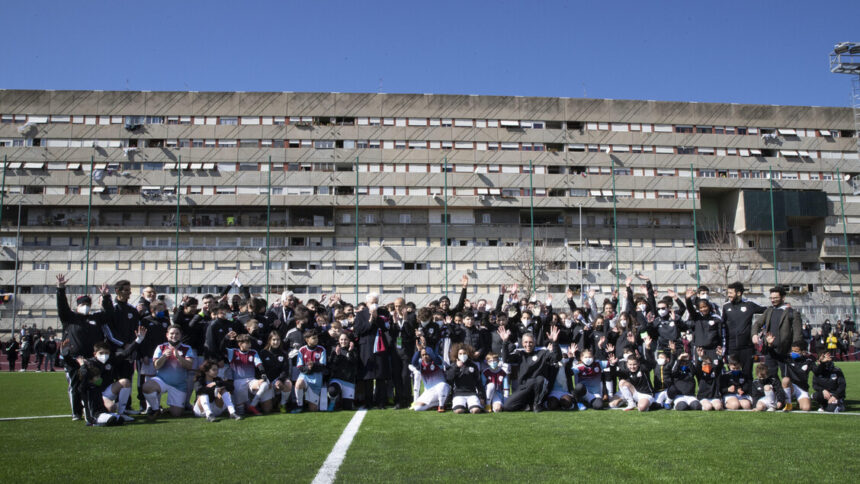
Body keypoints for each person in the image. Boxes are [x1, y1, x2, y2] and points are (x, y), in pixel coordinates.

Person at [56, 274, 120, 420]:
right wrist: (60, 289)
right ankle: (76, 412)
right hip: (74, 358)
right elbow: (62, 306)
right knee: (75, 384)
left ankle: (92, 408)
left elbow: (109, 314)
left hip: (92, 359)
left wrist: (106, 297)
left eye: (87, 305)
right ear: (77, 306)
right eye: (82, 305)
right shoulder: (69, 318)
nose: (85, 307)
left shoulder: (95, 318)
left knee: (93, 384)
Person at [499, 326, 562, 412]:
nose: (528, 345)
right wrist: (505, 341)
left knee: (540, 379)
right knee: (507, 407)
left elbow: (556, 358)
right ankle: (528, 405)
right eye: (526, 342)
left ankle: (537, 404)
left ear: (535, 343)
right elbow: (506, 359)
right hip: (524, 387)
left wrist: (554, 342)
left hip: (539, 388)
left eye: (530, 342)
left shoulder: (542, 353)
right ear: (522, 343)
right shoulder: (519, 354)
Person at [141, 324, 195, 419]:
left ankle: (166, 410)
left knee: (176, 414)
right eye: (172, 333)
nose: (174, 336)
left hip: (179, 385)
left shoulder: (187, 348)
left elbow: (189, 366)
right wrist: (164, 356)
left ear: (180, 335)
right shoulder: (161, 347)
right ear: (167, 335)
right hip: (162, 381)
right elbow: (156, 366)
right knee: (147, 386)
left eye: (177, 334)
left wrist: (178, 357)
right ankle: (155, 409)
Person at [752, 286, 803, 379]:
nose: (773, 300)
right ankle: (776, 393)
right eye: (771, 298)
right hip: (770, 351)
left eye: (775, 298)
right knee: (770, 378)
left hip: (785, 352)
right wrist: (754, 334)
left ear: (783, 298)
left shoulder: (792, 313)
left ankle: (788, 393)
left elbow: (797, 333)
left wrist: (795, 349)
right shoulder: (768, 311)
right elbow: (757, 323)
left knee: (787, 378)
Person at [722, 282, 765, 379]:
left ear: (739, 293)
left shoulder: (749, 304)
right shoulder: (726, 307)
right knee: (732, 373)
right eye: (728, 293)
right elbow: (722, 325)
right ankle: (734, 391)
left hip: (747, 346)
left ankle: (748, 392)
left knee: (747, 372)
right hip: (731, 346)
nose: (728, 295)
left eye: (731, 293)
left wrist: (760, 328)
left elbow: (767, 311)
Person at [223, 332, 272, 415]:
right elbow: (221, 348)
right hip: (238, 381)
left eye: (249, 343)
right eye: (247, 343)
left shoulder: (253, 352)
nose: (249, 345)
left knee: (265, 384)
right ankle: (244, 407)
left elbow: (259, 364)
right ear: (240, 344)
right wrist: (226, 338)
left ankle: (252, 405)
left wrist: (263, 374)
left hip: (251, 380)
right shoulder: (233, 352)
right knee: (240, 411)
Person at [608, 335, 657, 412]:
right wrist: (612, 365)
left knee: (641, 408)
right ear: (627, 364)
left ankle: (650, 403)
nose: (632, 367)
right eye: (630, 365)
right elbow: (614, 373)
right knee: (612, 404)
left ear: (638, 364)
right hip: (633, 392)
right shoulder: (626, 370)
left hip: (645, 394)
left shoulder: (643, 368)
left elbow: (650, 362)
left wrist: (647, 347)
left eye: (634, 364)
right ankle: (630, 403)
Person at [765, 333, 812, 411]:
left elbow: (818, 372)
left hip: (802, 388)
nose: (793, 353)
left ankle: (799, 403)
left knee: (806, 408)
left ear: (803, 352)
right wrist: (770, 345)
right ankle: (788, 404)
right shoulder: (788, 358)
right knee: (785, 380)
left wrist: (823, 364)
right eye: (792, 350)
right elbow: (774, 355)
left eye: (796, 351)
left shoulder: (808, 361)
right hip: (790, 386)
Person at [294, 329, 327, 413]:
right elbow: (300, 367)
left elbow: (322, 366)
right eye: (314, 338)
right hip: (305, 377)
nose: (316, 340)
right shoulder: (302, 350)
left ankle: (308, 399)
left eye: (317, 338)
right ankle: (299, 405)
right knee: (299, 383)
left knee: (313, 409)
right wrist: (308, 368)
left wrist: (313, 365)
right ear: (307, 339)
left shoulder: (321, 349)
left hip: (316, 381)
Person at [446, 343, 484, 414]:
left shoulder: (473, 365)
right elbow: (449, 379)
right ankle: (463, 405)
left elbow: (479, 382)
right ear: (457, 354)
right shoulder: (453, 365)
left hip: (472, 394)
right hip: (458, 394)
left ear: (468, 354)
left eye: (464, 353)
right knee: (459, 411)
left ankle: (470, 405)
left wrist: (481, 397)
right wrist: (457, 367)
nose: (462, 355)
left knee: (476, 410)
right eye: (460, 353)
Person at [260, 331, 293, 412]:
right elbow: (260, 370)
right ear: (269, 341)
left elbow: (285, 370)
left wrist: (280, 380)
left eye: (278, 340)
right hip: (266, 382)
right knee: (267, 410)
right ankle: (273, 401)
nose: (276, 342)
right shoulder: (263, 353)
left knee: (288, 384)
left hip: (277, 381)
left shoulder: (284, 354)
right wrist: (266, 381)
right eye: (274, 340)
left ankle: (282, 404)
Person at [409, 346, 450, 412]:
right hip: (429, 392)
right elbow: (413, 362)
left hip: (441, 389)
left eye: (426, 354)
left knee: (442, 385)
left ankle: (441, 405)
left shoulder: (437, 361)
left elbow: (434, 357)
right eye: (423, 355)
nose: (425, 356)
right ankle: (435, 404)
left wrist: (425, 347)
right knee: (417, 408)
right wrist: (418, 351)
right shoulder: (420, 364)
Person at [327, 332, 359, 411]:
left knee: (347, 408)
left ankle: (343, 402)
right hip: (337, 379)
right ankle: (332, 401)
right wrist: (337, 355)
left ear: (349, 341)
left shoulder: (354, 350)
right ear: (339, 340)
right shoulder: (334, 350)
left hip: (349, 381)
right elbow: (331, 365)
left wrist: (350, 352)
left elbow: (354, 363)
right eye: (341, 339)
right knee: (332, 391)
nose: (343, 341)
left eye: (345, 339)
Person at [694, 346, 724, 411]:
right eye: (705, 364)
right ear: (702, 365)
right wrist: (700, 357)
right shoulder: (700, 373)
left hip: (714, 396)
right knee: (708, 407)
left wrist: (720, 356)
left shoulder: (714, 372)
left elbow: (720, 366)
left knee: (718, 407)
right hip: (703, 396)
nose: (707, 365)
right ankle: (701, 405)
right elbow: (697, 367)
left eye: (709, 363)